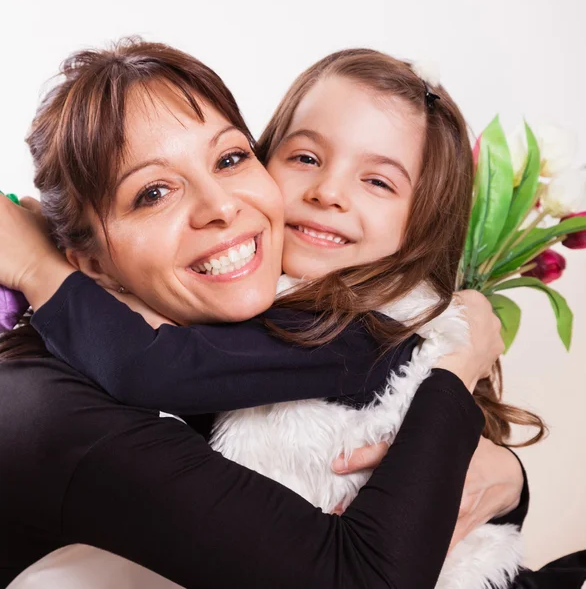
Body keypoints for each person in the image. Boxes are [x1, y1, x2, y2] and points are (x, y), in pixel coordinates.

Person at [0, 39, 519, 589]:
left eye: (228, 159)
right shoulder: (56, 409)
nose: (223, 207)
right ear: (92, 264)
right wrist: (456, 371)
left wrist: (508, 478)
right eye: (153, 192)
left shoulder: (353, 322)